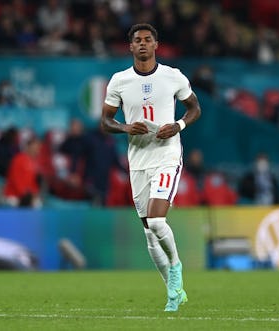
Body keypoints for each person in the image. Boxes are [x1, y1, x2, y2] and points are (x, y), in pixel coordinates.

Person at [101, 23, 201, 312]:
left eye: (148, 40)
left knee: (158, 222)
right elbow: (105, 121)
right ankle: (173, 292)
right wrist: (124, 127)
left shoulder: (173, 76)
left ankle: (176, 268)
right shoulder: (119, 80)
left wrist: (179, 125)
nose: (143, 44)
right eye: (137, 40)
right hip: (138, 159)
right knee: (149, 232)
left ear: (156, 45)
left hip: (167, 154)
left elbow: (194, 108)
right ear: (130, 47)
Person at [3, 137, 42, 208]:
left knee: (38, 204)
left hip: (28, 197)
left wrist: (34, 194)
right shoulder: (18, 159)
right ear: (28, 147)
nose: (36, 150)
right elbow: (15, 179)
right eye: (34, 147)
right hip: (13, 196)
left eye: (37, 148)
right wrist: (25, 194)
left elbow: (34, 183)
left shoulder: (35, 163)